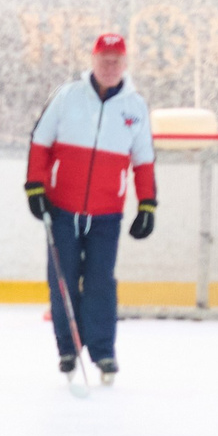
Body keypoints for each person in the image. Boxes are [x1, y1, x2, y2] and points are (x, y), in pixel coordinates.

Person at [24, 31, 156, 386]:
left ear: (125, 63)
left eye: (116, 60)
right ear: (93, 60)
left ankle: (102, 351)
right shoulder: (68, 96)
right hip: (62, 207)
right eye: (104, 59)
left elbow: (143, 158)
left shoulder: (135, 106)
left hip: (106, 212)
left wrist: (147, 203)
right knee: (63, 279)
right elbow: (40, 141)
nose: (110, 66)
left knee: (100, 281)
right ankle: (69, 348)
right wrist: (35, 185)